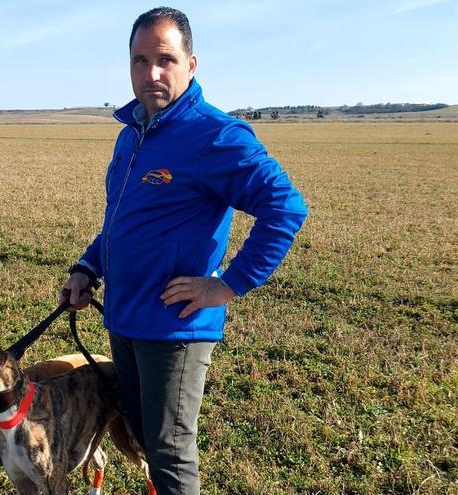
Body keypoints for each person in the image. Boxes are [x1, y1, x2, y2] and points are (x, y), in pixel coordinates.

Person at [60, 7, 307, 494]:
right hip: (125, 320)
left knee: (170, 452)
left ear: (191, 65)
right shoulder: (132, 133)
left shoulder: (216, 136)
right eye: (139, 60)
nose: (151, 73)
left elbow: (286, 208)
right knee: (146, 441)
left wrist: (229, 284)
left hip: (174, 327)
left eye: (165, 59)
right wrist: (89, 267)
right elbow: (122, 223)